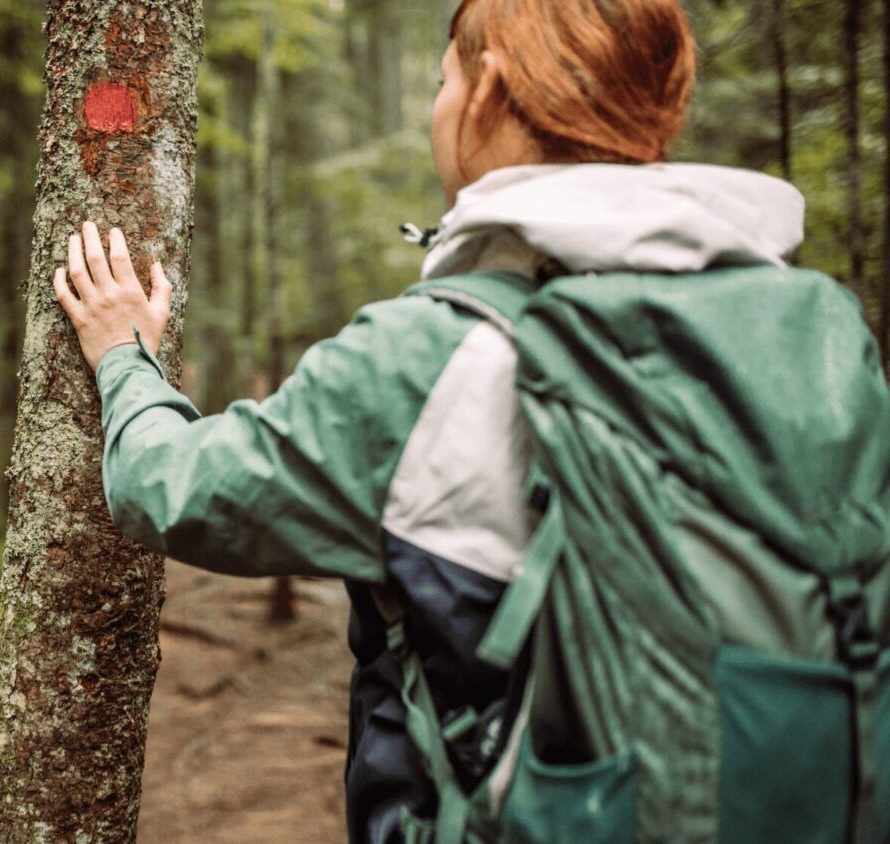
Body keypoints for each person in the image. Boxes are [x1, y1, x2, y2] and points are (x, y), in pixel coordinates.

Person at [52, 0, 890, 841]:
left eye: (442, 81)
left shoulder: (431, 353)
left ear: (486, 90)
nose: (438, 109)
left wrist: (124, 353)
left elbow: (169, 486)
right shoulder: (809, 329)